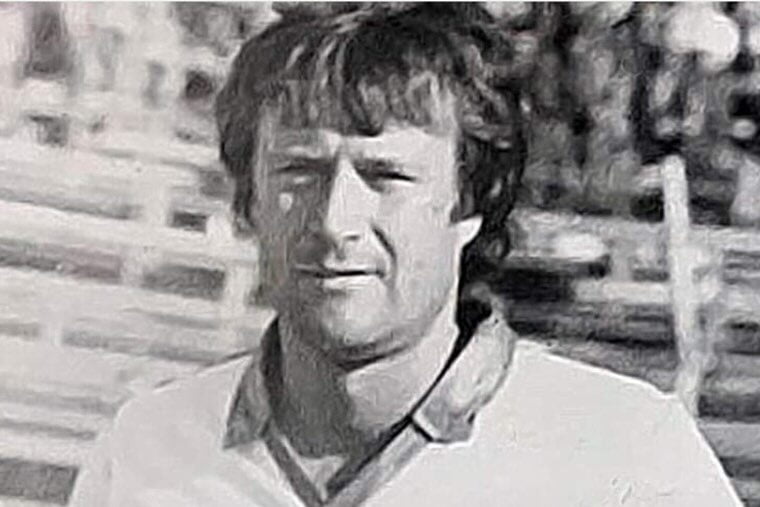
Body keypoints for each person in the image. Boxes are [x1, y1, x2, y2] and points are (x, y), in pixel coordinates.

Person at [70, 4, 741, 506]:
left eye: (386, 176)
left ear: (471, 201)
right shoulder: (147, 451)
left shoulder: (626, 457)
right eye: (300, 171)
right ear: (248, 200)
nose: (335, 221)